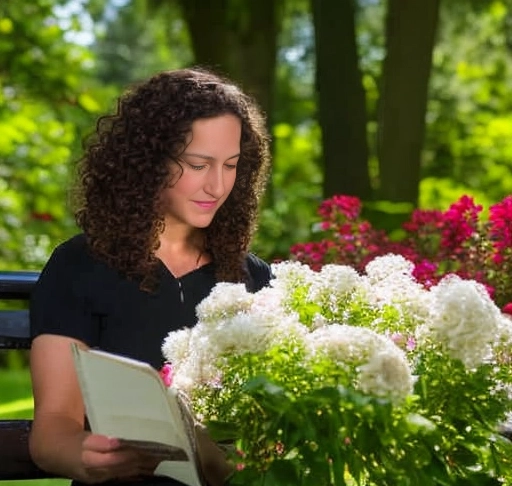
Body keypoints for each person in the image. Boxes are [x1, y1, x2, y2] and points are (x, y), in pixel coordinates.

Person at [28, 67, 273, 485]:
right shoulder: (80, 266)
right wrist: (85, 456)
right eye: (198, 164)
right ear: (148, 162)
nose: (216, 185)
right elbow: (53, 429)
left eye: (231, 166)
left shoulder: (251, 277)